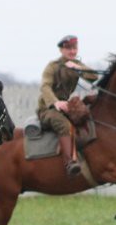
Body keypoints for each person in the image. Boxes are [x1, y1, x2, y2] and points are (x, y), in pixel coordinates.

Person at [37, 34, 99, 176]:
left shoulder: (77, 65)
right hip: (47, 109)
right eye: (68, 48)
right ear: (61, 50)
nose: (72, 51)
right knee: (63, 124)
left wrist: (78, 68)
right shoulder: (52, 66)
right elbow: (45, 87)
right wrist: (55, 102)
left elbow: (94, 76)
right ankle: (70, 163)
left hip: (66, 106)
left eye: (74, 48)